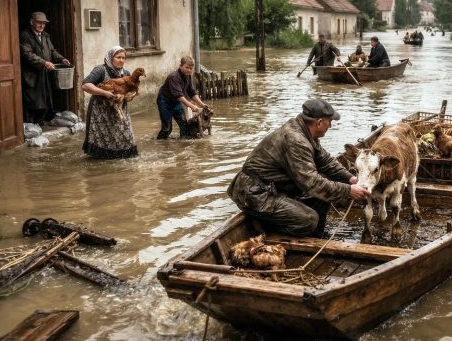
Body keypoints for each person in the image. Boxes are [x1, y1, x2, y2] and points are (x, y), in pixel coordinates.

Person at [227, 99, 369, 237]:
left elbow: (325, 161)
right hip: (255, 194)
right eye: (329, 122)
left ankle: (314, 236)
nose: (330, 126)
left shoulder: (306, 132)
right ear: (319, 123)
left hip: (273, 188)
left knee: (324, 189)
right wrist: (348, 191)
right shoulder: (296, 140)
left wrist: (350, 178)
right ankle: (266, 228)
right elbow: (311, 183)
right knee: (309, 220)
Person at [81, 46, 138, 159]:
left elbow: (130, 90)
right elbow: (85, 85)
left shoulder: (126, 73)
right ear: (111, 58)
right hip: (101, 113)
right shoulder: (101, 70)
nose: (121, 60)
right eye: (118, 57)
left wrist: (129, 96)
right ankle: (103, 162)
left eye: (123, 58)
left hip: (119, 110)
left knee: (126, 135)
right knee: (104, 138)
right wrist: (104, 93)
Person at [19, 11, 71, 124]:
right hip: (32, 75)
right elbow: (28, 54)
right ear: (32, 22)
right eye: (39, 23)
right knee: (32, 100)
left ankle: (39, 122)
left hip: (44, 74)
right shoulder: (25, 35)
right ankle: (29, 124)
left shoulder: (45, 35)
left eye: (44, 23)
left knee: (45, 99)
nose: (42, 25)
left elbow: (52, 51)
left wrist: (61, 59)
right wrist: (44, 63)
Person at [156, 56, 208, 139]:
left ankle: (183, 145)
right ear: (180, 66)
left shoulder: (188, 76)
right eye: (187, 67)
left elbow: (192, 92)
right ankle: (160, 145)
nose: (189, 70)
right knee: (167, 129)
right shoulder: (174, 77)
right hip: (165, 102)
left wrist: (202, 104)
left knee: (184, 126)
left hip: (176, 102)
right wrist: (192, 106)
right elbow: (179, 96)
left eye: (191, 68)